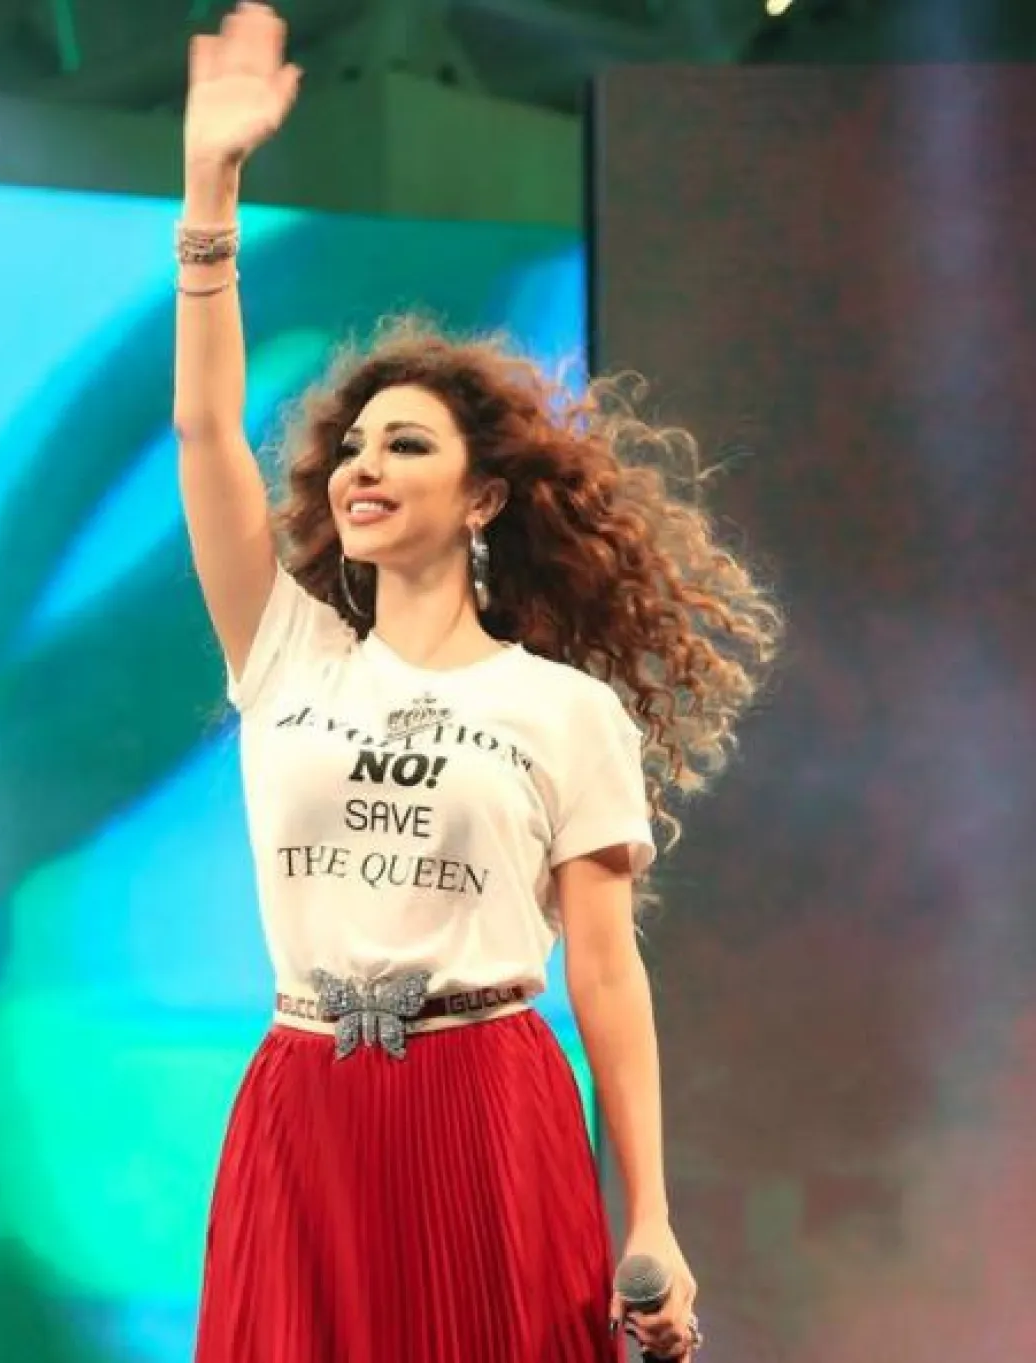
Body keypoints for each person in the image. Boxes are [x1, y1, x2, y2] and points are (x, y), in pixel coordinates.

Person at [175, 6, 780, 1361]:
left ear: (486, 495)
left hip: (488, 1102)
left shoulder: (565, 711)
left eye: (407, 444)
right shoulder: (285, 650)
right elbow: (205, 432)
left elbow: (608, 974)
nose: (364, 465)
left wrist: (653, 1215)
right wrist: (210, 196)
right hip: (302, 1105)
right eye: (353, 446)